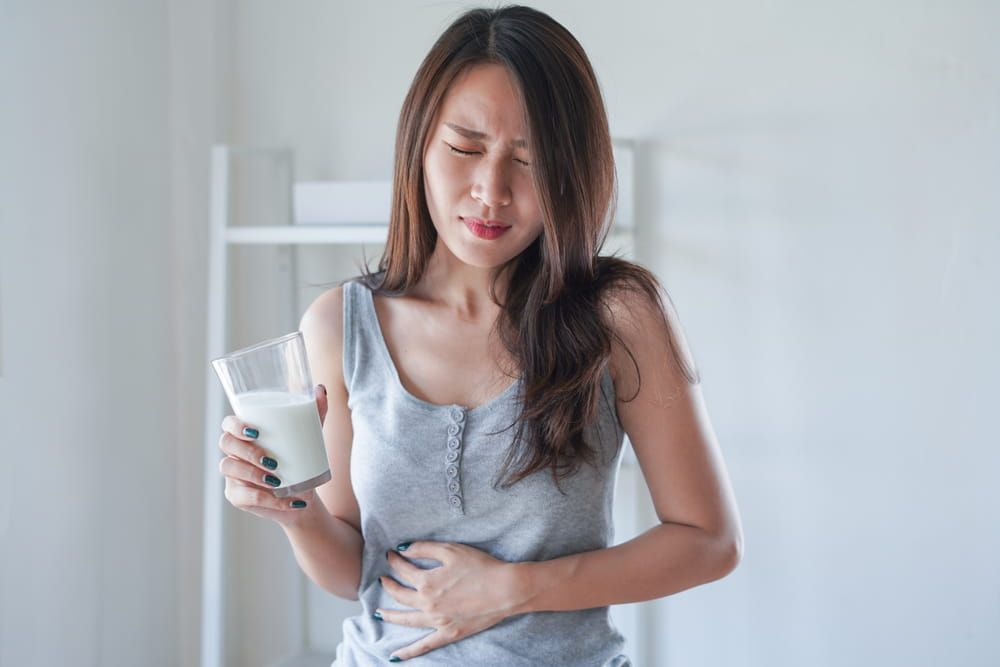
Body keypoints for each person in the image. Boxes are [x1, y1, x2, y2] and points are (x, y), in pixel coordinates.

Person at [217, 5, 743, 665]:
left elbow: (709, 540)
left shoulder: (619, 315)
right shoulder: (338, 326)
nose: (492, 190)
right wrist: (294, 509)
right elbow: (355, 572)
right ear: (419, 143)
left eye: (530, 160)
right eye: (465, 148)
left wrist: (513, 589)